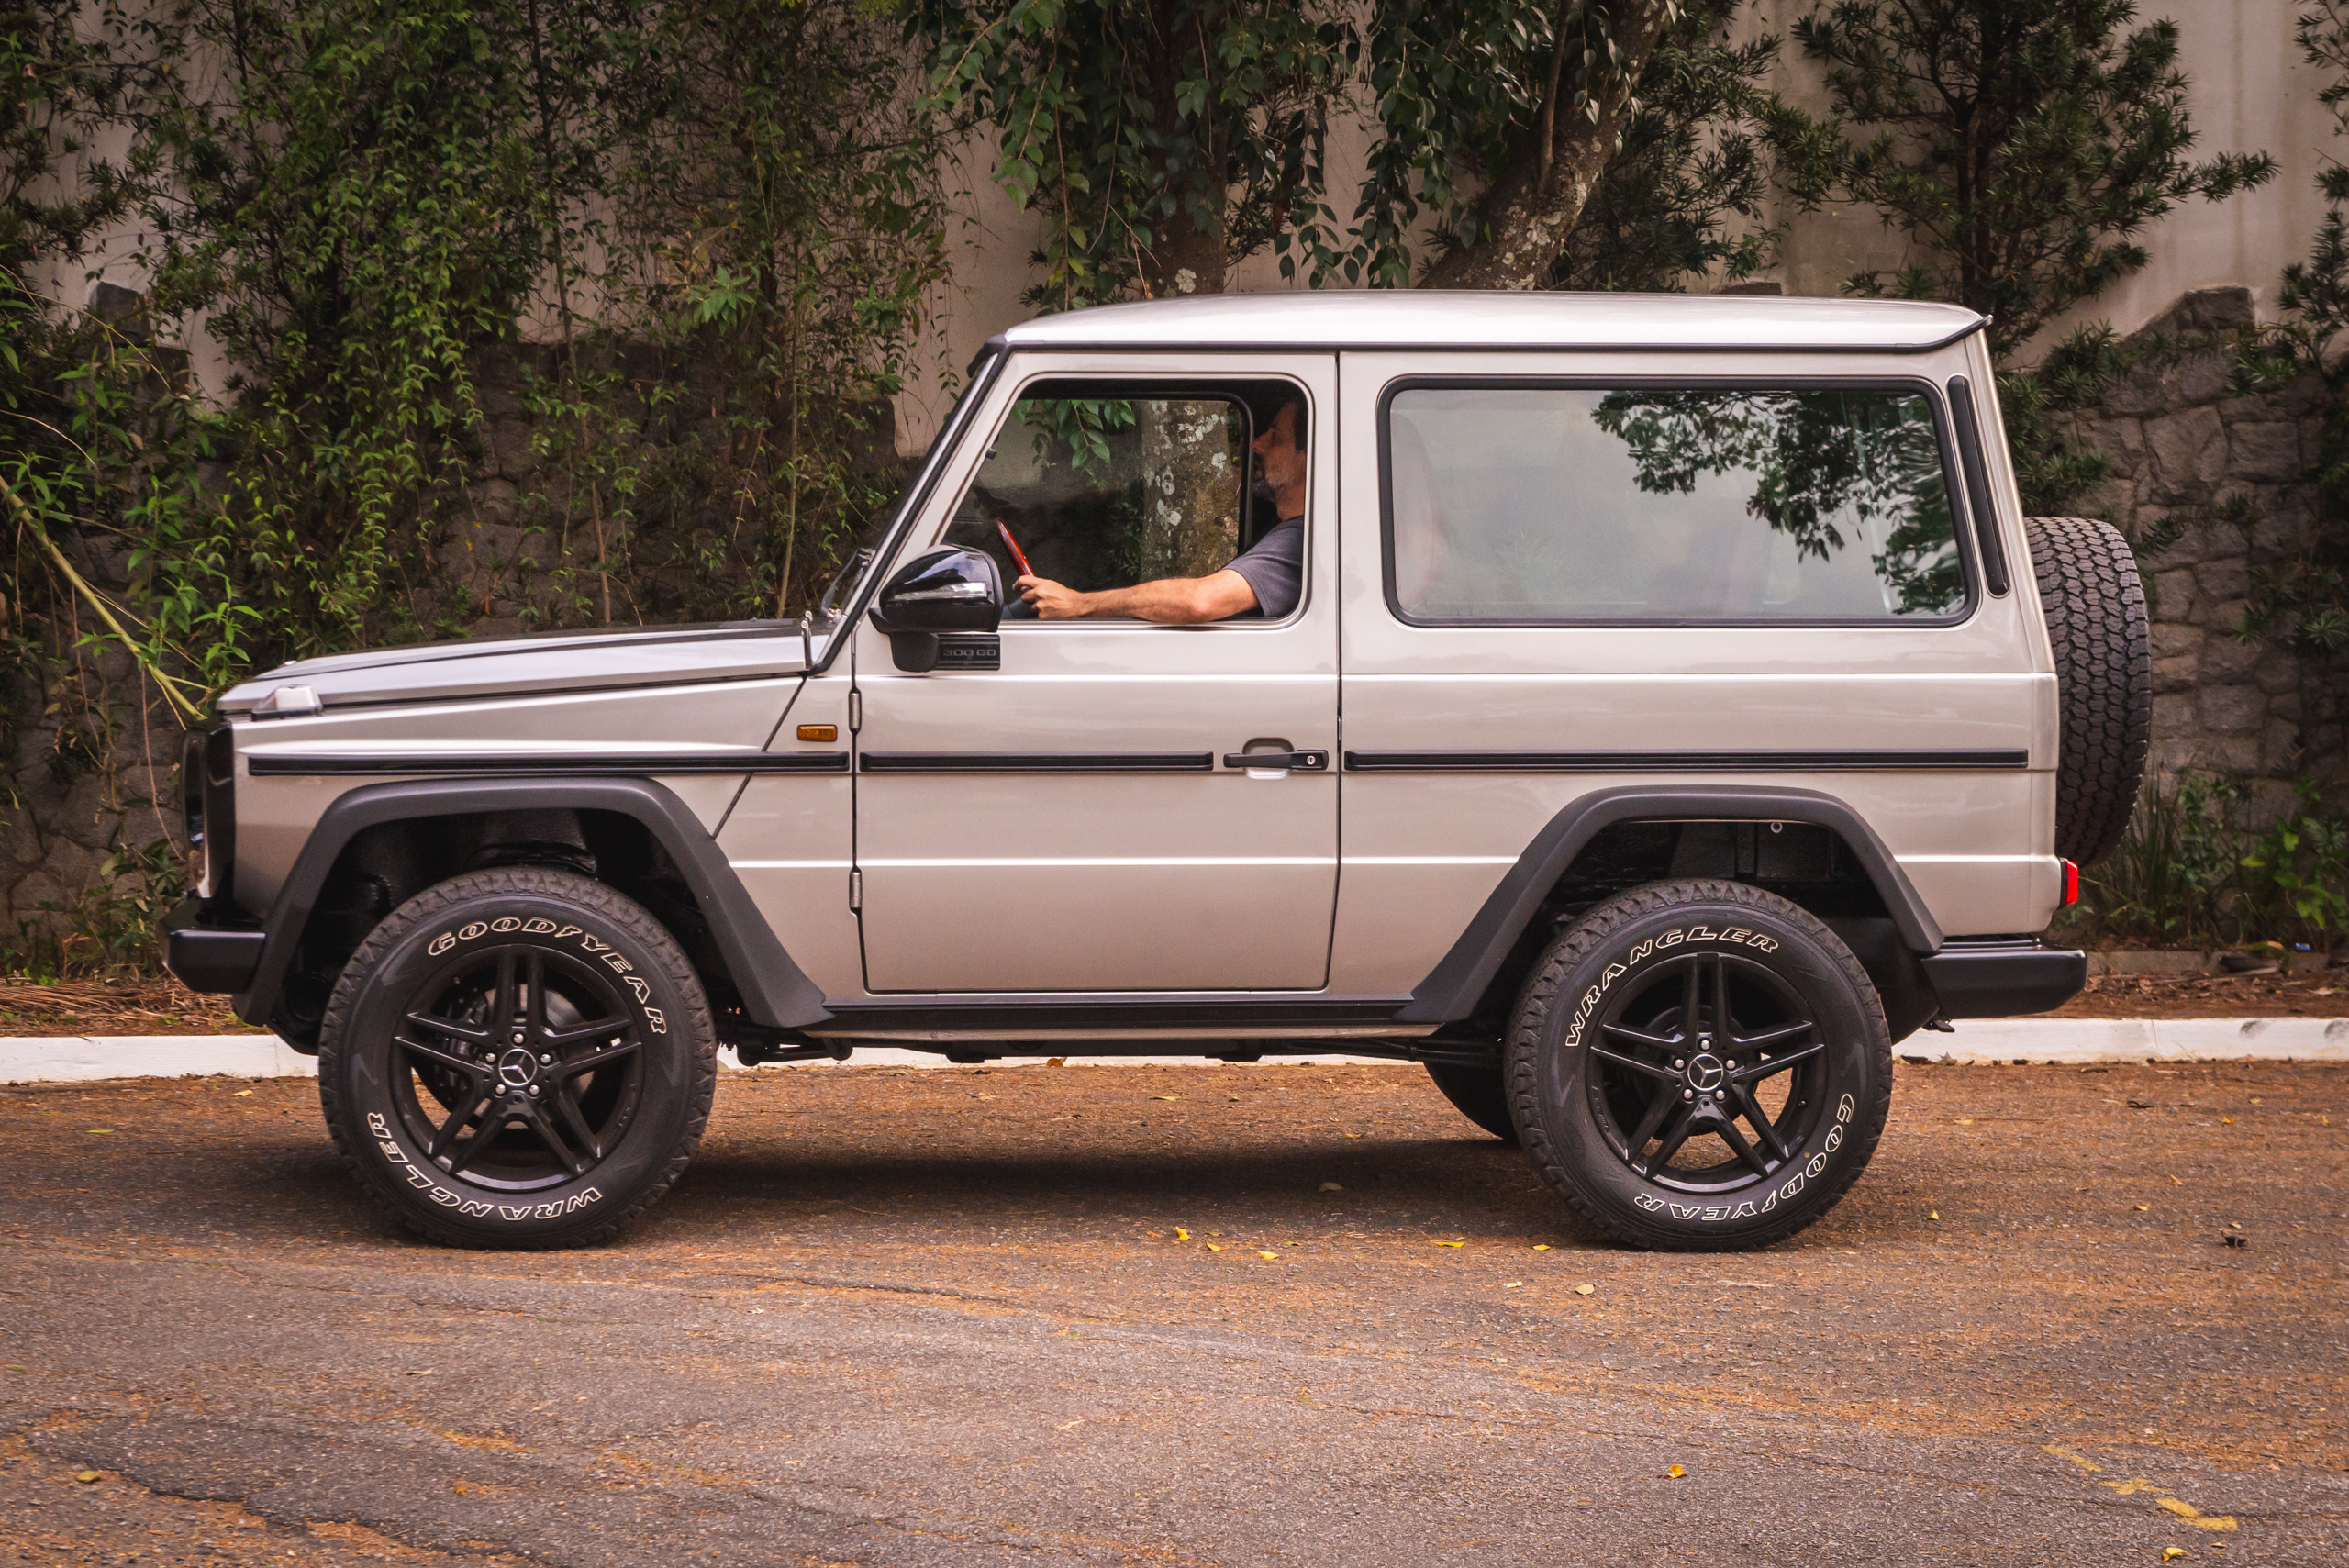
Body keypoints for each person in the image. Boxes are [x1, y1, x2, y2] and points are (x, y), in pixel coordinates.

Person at [1014, 394, 1307, 622]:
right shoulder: (1283, 529)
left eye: (1276, 437)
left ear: (1308, 458)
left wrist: (1077, 604)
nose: (1257, 444)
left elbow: (1200, 602)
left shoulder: (1301, 540)